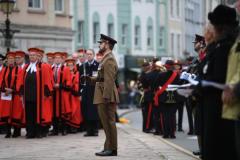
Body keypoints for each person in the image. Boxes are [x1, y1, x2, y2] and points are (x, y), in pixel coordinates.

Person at [201, 5, 239, 160]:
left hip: (224, 104)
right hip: (221, 104)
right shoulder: (221, 46)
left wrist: (235, 88)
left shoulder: (225, 47)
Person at [85, 34, 119, 156]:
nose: (99, 45)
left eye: (101, 43)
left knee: (109, 122)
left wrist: (106, 96)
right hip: (103, 92)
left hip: (106, 94)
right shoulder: (106, 58)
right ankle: (108, 147)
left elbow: (109, 80)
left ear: (107, 44)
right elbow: (101, 77)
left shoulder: (109, 59)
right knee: (106, 123)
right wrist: (90, 79)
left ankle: (111, 148)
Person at [81, 49, 100, 137]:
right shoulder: (83, 66)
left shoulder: (98, 65)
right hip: (86, 91)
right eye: (87, 54)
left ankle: (95, 129)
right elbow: (79, 80)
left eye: (90, 54)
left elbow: (99, 78)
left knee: (95, 111)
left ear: (93, 55)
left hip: (95, 90)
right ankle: (88, 130)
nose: (89, 56)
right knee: (87, 110)